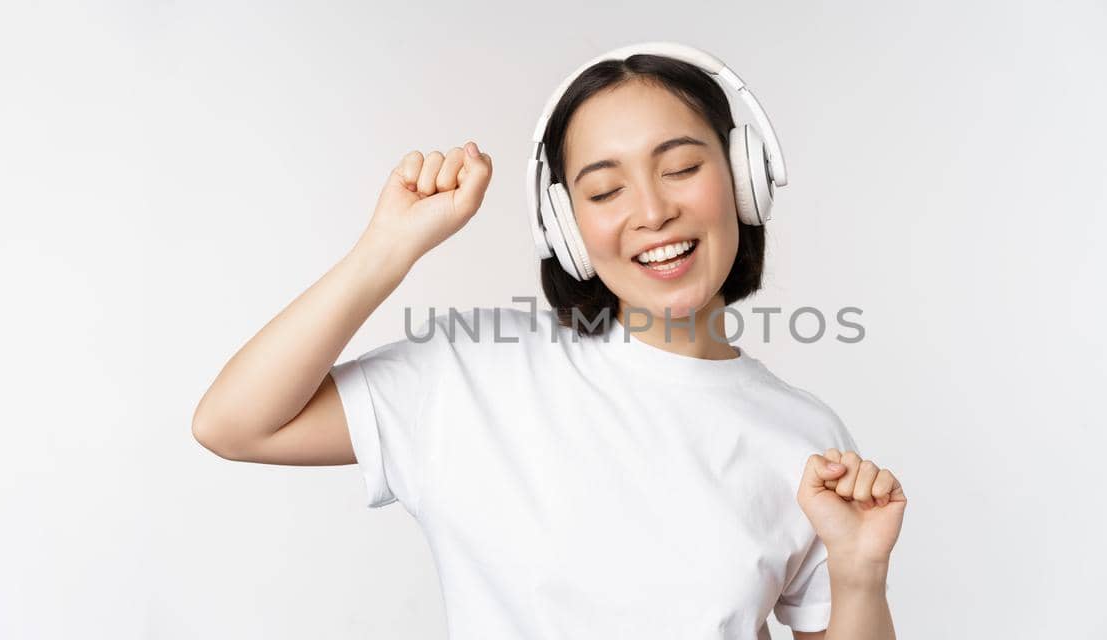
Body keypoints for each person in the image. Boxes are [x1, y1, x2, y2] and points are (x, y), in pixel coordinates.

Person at [192, 42, 907, 640]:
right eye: (605, 191)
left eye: (683, 168)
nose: (654, 211)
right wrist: (387, 250)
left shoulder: (803, 438)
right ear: (565, 228)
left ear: (743, 179)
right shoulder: (471, 377)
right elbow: (233, 424)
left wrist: (858, 575)